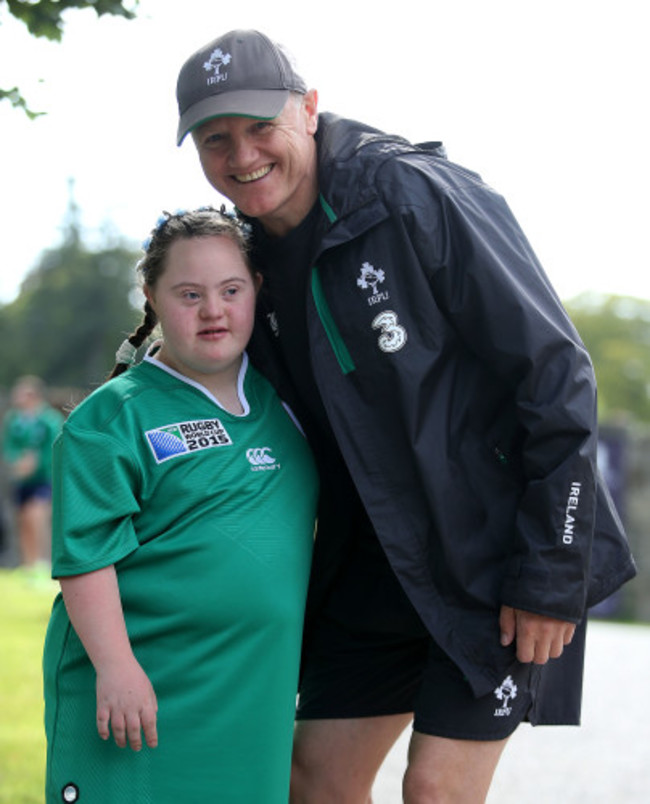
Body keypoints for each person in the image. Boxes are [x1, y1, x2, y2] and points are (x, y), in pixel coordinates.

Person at [175, 31, 637, 804]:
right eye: (216, 139)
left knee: (435, 791)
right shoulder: (246, 260)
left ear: (310, 109)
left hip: (497, 563)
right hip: (373, 569)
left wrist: (554, 571)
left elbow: (556, 370)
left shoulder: (414, 194)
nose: (242, 155)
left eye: (261, 128)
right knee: (311, 782)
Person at [42, 208, 319, 804]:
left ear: (256, 292)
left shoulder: (286, 400)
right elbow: (84, 556)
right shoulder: (113, 417)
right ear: (152, 297)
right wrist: (116, 669)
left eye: (230, 290)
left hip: (251, 696)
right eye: (189, 293)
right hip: (141, 694)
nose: (213, 310)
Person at [2, 375, 62, 574]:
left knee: (36, 516)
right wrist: (16, 461)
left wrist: (35, 464)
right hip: (22, 479)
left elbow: (54, 447)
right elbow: (9, 446)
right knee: (23, 520)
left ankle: (42, 564)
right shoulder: (15, 420)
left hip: (44, 478)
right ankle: (29, 565)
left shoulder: (49, 420)